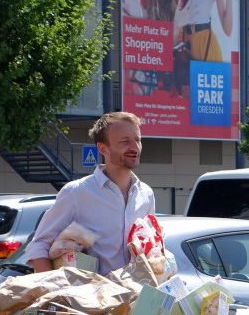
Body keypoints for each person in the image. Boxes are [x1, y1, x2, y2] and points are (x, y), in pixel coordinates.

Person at [25, 112, 155, 275]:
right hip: (93, 291)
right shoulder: (76, 192)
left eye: (137, 140)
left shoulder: (146, 194)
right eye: (125, 141)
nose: (134, 147)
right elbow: (39, 246)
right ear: (102, 148)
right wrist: (53, 285)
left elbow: (152, 246)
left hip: (137, 290)